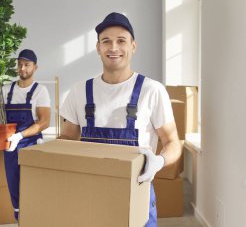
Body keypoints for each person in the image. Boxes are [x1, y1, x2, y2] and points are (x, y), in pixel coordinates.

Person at [59, 12, 182, 226]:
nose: (113, 48)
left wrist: (159, 161)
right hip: (90, 196)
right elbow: (67, 139)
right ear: (98, 48)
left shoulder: (152, 90)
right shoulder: (79, 92)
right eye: (106, 41)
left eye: (121, 41)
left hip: (137, 195)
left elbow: (173, 141)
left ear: (133, 46)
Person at [0, 49, 51, 221]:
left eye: (27, 65)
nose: (22, 68)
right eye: (20, 64)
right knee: (14, 185)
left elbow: (45, 121)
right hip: (9, 145)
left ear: (35, 67)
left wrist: (20, 136)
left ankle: (36, 219)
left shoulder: (40, 91)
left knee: (33, 184)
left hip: (31, 144)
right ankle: (20, 220)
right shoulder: (7, 89)